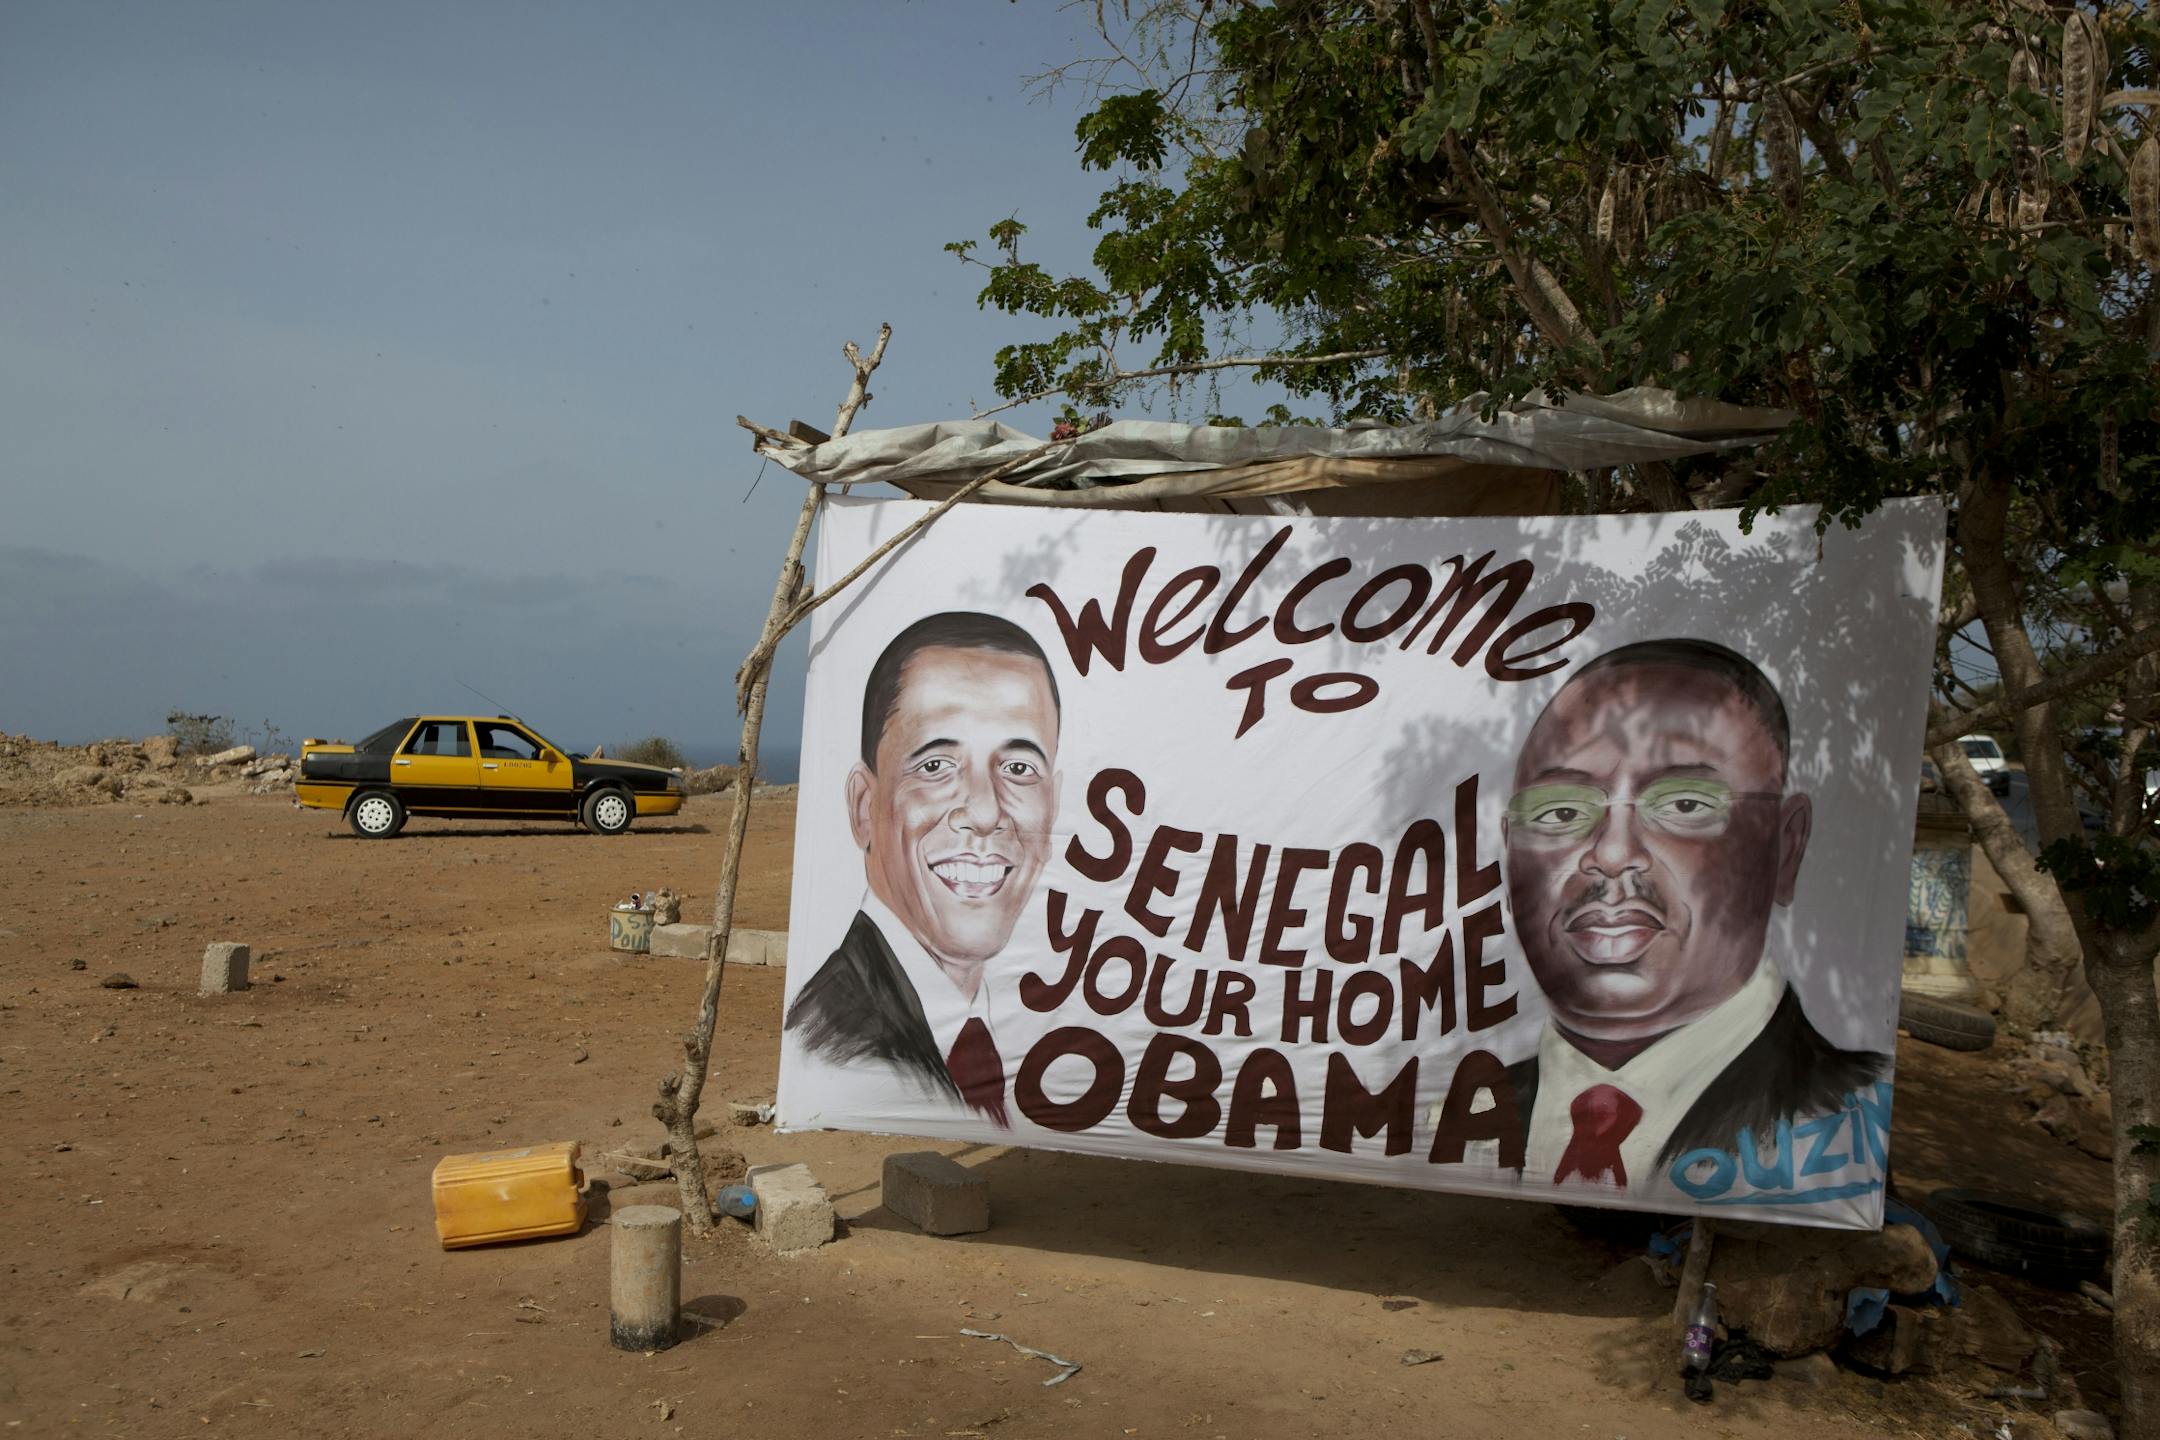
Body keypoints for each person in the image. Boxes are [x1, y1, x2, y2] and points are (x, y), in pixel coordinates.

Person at [1500, 638, 1886, 1193]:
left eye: (1685, 805)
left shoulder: (1845, 1113)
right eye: (1561, 811)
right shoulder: (1459, 1117)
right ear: (1510, 850)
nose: (1611, 855)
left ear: (1786, 848)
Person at [784, 611, 1062, 1128]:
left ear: (1054, 802)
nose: (984, 812)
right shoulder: (832, 1036)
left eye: (1019, 769)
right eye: (935, 766)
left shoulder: (991, 1022)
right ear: (865, 807)